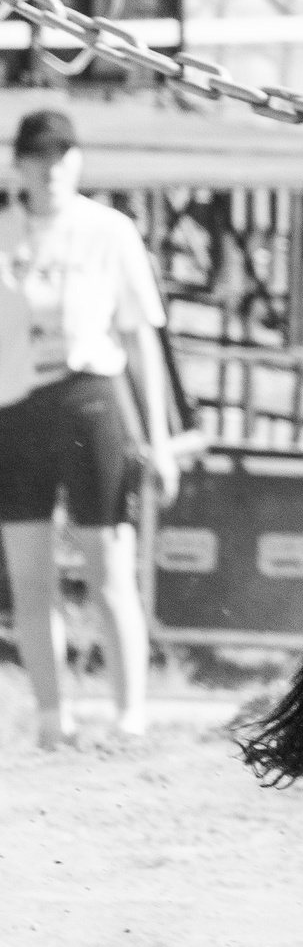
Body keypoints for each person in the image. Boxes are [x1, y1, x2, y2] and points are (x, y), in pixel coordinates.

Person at [0, 107, 179, 748]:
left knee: (108, 565)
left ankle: (129, 716)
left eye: (63, 156)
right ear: (17, 164)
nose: (51, 170)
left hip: (89, 401)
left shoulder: (109, 231)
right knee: (30, 572)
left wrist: (155, 437)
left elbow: (139, 337)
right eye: (39, 157)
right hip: (16, 406)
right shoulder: (4, 230)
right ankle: (53, 717)